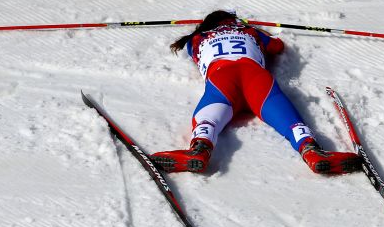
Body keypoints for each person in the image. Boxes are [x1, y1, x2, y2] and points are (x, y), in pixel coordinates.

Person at [151, 10, 362, 175]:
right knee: (291, 122)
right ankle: (311, 151)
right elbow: (277, 47)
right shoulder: (251, 32)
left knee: (208, 120)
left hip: (222, 78)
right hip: (255, 77)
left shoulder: (196, 39)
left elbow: (193, 52)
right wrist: (257, 31)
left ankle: (200, 148)